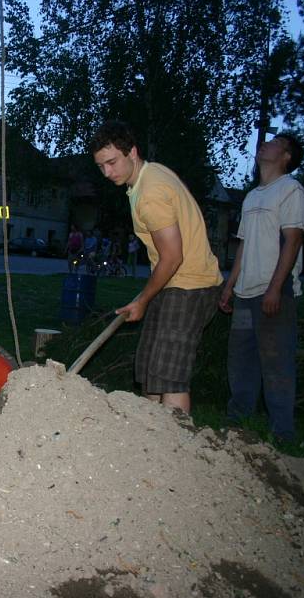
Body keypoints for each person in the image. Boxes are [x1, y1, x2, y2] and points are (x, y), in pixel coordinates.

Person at [90, 120, 222, 414]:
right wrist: (147, 296)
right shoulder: (147, 177)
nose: (107, 173)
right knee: (150, 367)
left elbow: (173, 256)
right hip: (172, 282)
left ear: (132, 152)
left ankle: (174, 449)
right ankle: (148, 439)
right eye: (101, 166)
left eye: (112, 162)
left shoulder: (150, 193)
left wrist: (142, 299)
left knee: (169, 376)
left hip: (189, 285)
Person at [219, 134, 304, 442]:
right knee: (240, 360)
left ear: (286, 156)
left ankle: (282, 433)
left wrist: (275, 289)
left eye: (274, 143)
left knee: (276, 362)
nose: (264, 145)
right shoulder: (253, 196)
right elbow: (243, 245)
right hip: (244, 295)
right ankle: (237, 424)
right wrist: (230, 285)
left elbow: (293, 241)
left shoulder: (291, 190)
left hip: (273, 294)